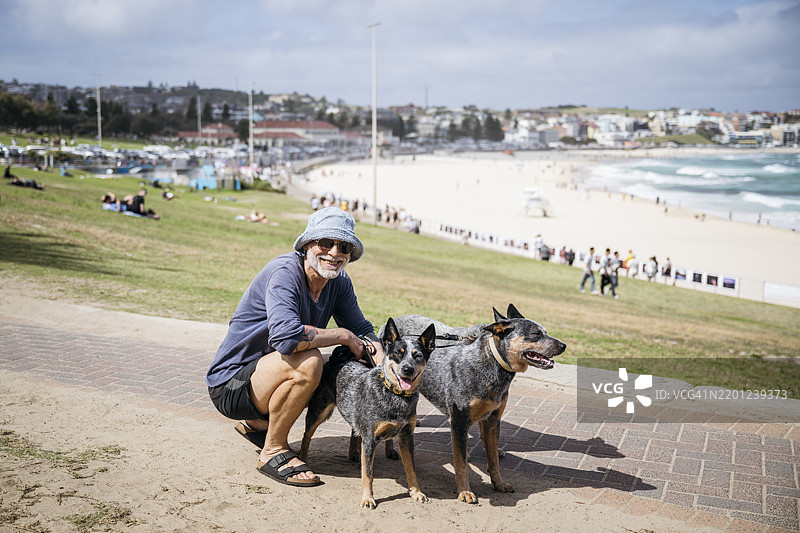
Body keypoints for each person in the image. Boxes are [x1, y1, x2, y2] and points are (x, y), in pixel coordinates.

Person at [205, 207, 385, 487]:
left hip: (263, 379)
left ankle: (258, 425)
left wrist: (387, 368)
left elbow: (362, 330)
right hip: (230, 385)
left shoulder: (338, 283)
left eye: (344, 246)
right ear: (307, 245)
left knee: (320, 361)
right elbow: (286, 339)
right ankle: (273, 449)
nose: (334, 252)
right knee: (310, 362)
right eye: (326, 243)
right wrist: (342, 336)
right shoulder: (284, 271)